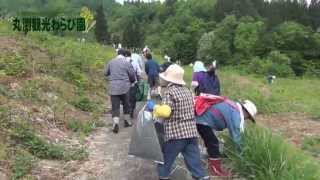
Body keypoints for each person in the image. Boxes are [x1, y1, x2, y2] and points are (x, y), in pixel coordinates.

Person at [148, 64, 209, 180]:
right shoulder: (187, 91)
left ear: (168, 80)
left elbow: (166, 112)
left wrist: (154, 107)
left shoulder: (169, 92)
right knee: (195, 163)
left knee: (164, 161)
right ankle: (202, 177)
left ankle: (163, 177)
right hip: (191, 133)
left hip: (176, 135)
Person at [194, 94, 258, 177]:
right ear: (247, 113)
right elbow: (236, 138)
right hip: (203, 121)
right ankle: (215, 169)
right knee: (213, 143)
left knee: (208, 141)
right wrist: (242, 156)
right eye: (248, 117)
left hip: (201, 117)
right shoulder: (236, 114)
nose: (247, 119)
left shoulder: (232, 106)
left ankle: (207, 159)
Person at [105, 49, 136, 134]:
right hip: (125, 87)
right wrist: (132, 81)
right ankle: (127, 122)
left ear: (117, 54)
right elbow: (132, 75)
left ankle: (115, 123)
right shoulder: (127, 63)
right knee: (126, 105)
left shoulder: (111, 62)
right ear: (125, 55)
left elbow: (105, 73)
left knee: (115, 106)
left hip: (113, 87)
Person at [124, 50, 141, 118]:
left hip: (124, 83)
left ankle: (126, 112)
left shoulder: (122, 62)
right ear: (130, 55)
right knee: (133, 98)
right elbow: (139, 72)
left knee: (125, 98)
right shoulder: (134, 62)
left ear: (125, 55)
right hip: (133, 83)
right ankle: (131, 110)